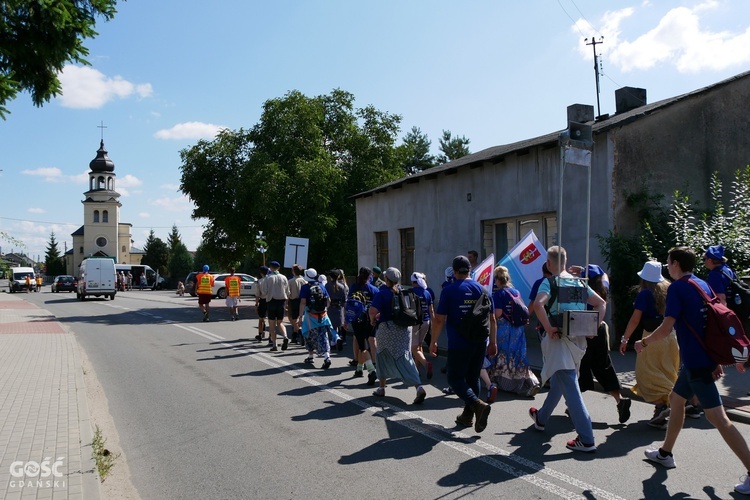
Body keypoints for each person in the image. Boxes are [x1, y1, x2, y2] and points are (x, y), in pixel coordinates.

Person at [636, 247, 750, 495]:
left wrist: (643, 343)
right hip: (697, 361)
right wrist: (716, 359)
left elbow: (666, 328)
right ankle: (665, 453)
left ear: (676, 263)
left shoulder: (677, 288)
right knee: (677, 400)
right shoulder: (702, 283)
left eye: (668, 262)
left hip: (697, 363)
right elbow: (711, 324)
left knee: (718, 418)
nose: (667, 267)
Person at [529, 246, 605, 453]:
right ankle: (541, 418)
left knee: (569, 385)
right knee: (559, 380)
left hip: (559, 337)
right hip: (579, 338)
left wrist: (548, 327)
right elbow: (601, 304)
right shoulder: (579, 282)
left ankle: (587, 438)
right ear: (565, 260)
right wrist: (593, 327)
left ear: (549, 263)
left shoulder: (550, 282)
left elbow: (538, 305)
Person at [430, 255, 497, 433]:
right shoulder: (483, 289)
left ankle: (477, 405)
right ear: (469, 270)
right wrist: (493, 343)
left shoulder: (449, 290)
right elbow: (492, 319)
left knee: (454, 378)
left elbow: (439, 320)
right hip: (480, 341)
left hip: (459, 342)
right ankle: (467, 416)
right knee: (473, 377)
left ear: (454, 271)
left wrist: (433, 341)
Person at [619, 260, 679, 429]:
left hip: (651, 338)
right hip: (670, 336)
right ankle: (661, 412)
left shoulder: (645, 294)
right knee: (667, 371)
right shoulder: (669, 290)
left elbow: (635, 320)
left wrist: (625, 339)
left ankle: (669, 401)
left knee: (646, 373)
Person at [569, 264, 631, 424]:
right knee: (603, 366)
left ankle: (574, 406)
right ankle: (620, 400)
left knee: (580, 367)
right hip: (601, 331)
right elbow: (604, 275)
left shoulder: (584, 292)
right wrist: (587, 269)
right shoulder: (603, 288)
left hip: (585, 331)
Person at [369, 267, 427, 405]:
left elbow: (373, 310)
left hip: (387, 329)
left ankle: (381, 388)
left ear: (386, 279)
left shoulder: (382, 293)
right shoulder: (403, 291)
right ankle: (418, 387)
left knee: (382, 355)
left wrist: (372, 320)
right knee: (406, 357)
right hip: (404, 329)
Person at [489, 265, 540, 397]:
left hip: (505, 329)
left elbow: (498, 314)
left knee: (503, 355)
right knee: (518, 356)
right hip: (518, 329)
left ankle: (505, 383)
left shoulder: (498, 294)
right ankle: (530, 382)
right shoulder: (516, 292)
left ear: (497, 280)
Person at [347, 267, 379, 382]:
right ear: (370, 276)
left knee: (362, 346)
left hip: (357, 320)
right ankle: (359, 368)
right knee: (364, 345)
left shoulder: (354, 287)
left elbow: (349, 305)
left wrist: (346, 321)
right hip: (370, 319)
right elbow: (378, 307)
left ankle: (371, 371)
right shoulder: (374, 289)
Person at [299, 268, 333, 369]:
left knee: (309, 335)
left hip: (310, 315)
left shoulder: (305, 287)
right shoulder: (321, 285)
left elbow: (303, 302)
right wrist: (325, 309)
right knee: (323, 335)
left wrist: (300, 316)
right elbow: (329, 300)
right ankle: (327, 357)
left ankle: (310, 356)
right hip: (322, 315)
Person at [410, 272, 434, 380]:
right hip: (426, 322)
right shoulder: (427, 292)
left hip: (415, 323)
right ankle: (416, 370)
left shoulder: (410, 292)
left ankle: (425, 364)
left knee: (414, 348)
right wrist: (432, 326)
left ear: (412, 282)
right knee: (419, 346)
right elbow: (431, 311)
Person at [262, 261, 291, 351]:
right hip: (281, 302)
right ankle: (285, 336)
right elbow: (288, 292)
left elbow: (264, 291)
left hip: (271, 301)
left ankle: (274, 345)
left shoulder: (268, 278)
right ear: (278, 268)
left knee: (272, 324)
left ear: (270, 268)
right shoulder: (284, 277)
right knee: (280, 322)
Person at [326, 269, 349, 352]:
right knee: (337, 325)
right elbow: (344, 300)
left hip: (330, 308)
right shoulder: (342, 286)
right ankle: (333, 342)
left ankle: (336, 339)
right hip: (339, 308)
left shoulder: (327, 286)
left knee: (330, 326)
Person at [288, 265, 307, 344]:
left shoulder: (291, 281)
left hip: (294, 301)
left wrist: (287, 302)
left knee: (294, 319)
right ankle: (294, 336)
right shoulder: (304, 281)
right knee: (301, 317)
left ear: (293, 271)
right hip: (303, 300)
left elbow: (288, 293)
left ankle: (299, 332)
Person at [255, 266, 270, 342]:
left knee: (261, 319)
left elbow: (258, 294)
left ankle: (260, 334)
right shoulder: (271, 280)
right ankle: (271, 335)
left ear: (261, 273)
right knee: (271, 319)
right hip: (271, 300)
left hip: (263, 301)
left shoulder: (259, 281)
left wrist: (256, 304)